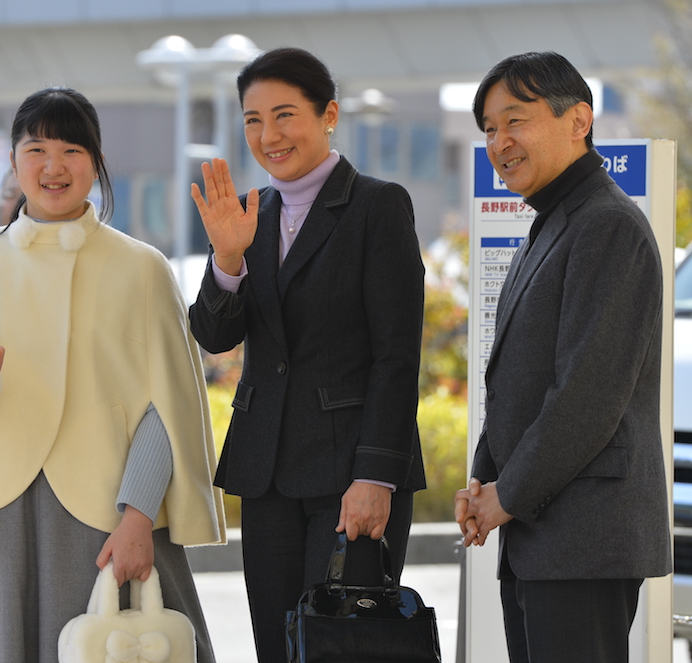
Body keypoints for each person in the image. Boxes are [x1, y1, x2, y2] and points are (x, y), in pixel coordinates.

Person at [0, 86, 225, 663]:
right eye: (37, 149)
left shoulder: (142, 268)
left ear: (96, 162)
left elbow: (169, 408)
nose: (54, 166)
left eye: (72, 150)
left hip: (107, 515)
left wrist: (138, 517)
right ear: (13, 161)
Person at [189, 47, 426, 663]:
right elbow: (213, 337)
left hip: (350, 475)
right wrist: (228, 261)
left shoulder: (377, 206)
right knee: (278, 647)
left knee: (343, 647)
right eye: (252, 119)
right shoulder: (248, 215)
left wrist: (377, 476)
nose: (268, 135)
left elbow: (396, 357)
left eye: (285, 114)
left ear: (329, 116)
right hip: (266, 474)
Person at [455, 52, 671, 663]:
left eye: (514, 121)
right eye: (489, 129)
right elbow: (517, 378)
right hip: (541, 535)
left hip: (583, 536)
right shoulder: (549, 225)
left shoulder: (607, 225)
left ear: (579, 119)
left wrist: (507, 493)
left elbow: (587, 394)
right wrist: (482, 478)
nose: (499, 142)